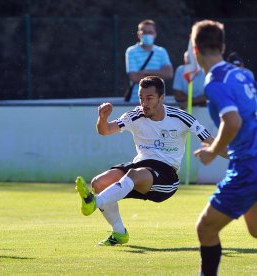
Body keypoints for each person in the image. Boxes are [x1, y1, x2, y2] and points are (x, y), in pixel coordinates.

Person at [75, 76, 223, 246]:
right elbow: (105, 130)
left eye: (149, 98)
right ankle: (119, 233)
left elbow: (214, 141)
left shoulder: (181, 117)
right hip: (140, 167)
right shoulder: (135, 115)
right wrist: (102, 118)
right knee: (99, 183)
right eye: (141, 98)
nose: (144, 103)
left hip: (166, 176)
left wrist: (242, 156)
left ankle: (93, 202)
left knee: (133, 174)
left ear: (161, 98)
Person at [191, 20, 257, 276]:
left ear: (195, 50)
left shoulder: (214, 83)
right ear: (223, 46)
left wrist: (212, 150)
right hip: (251, 160)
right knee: (255, 230)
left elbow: (233, 121)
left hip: (248, 167)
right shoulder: (244, 74)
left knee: (205, 228)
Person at [125, 19, 173, 103]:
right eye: (144, 32)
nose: (147, 35)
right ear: (139, 34)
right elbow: (134, 77)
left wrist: (146, 72)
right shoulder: (131, 51)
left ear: (155, 34)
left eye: (150, 32)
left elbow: (168, 74)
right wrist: (159, 74)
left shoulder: (161, 51)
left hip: (158, 103)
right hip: (137, 101)